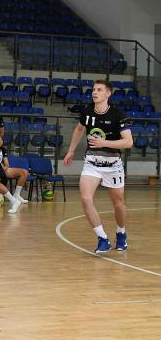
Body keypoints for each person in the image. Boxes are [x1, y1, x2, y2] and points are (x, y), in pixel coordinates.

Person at [63, 79, 132, 253]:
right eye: (93, 89)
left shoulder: (118, 114)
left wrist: (103, 142)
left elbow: (128, 142)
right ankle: (102, 238)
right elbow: (79, 129)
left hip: (113, 163)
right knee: (86, 199)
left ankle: (121, 232)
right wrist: (71, 150)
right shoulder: (87, 112)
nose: (95, 92)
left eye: (99, 90)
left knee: (118, 204)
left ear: (108, 94)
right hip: (92, 162)